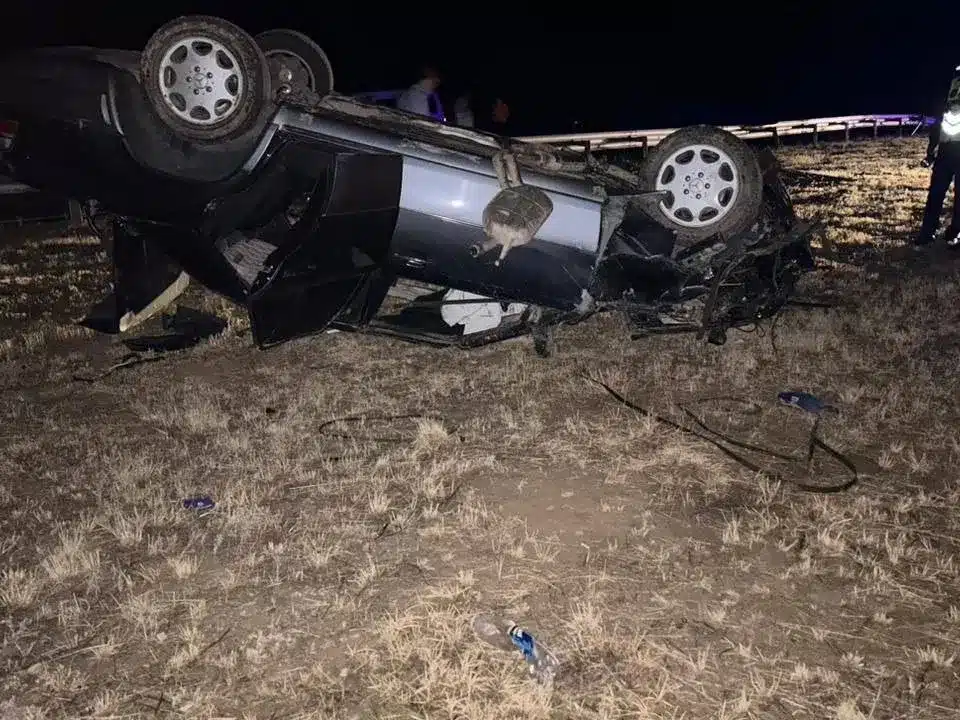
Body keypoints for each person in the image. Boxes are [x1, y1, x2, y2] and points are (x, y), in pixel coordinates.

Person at [915, 65, 960, 247]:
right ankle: (929, 232)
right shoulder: (947, 89)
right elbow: (937, 120)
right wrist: (931, 151)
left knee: (941, 193)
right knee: (936, 192)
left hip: (948, 147)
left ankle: (952, 233)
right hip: (945, 148)